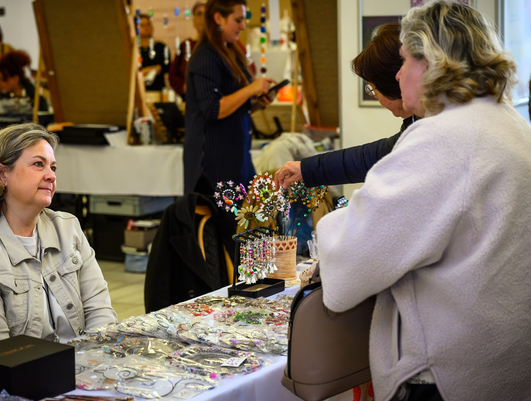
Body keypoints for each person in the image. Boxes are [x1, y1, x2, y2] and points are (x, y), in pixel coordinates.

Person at [316, 1, 531, 400]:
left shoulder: (441, 139)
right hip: (507, 367)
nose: (398, 75)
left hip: (444, 379)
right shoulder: (515, 127)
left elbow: (348, 268)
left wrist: (329, 224)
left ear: (432, 62)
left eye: (403, 60)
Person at [0, 124, 117, 376]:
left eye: (53, 167)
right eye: (38, 164)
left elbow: (101, 315)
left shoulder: (68, 228)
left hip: (71, 375)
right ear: (1, 174)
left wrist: (94, 370)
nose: (51, 176)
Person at [274, 23, 417, 189]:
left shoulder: (430, 128)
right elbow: (373, 156)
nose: (376, 96)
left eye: (373, 88)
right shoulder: (419, 123)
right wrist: (306, 169)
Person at [183, 0, 276, 195]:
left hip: (237, 157)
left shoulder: (232, 52)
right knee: (226, 215)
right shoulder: (205, 56)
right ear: (219, 18)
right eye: (238, 20)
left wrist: (257, 103)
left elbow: (236, 105)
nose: (243, 27)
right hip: (213, 164)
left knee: (249, 211)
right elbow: (213, 109)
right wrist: (250, 90)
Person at [169, 1, 206, 98]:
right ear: (193, 19)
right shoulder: (185, 45)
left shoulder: (219, 45)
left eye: (206, 14)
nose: (202, 18)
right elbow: (173, 74)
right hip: (191, 99)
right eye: (199, 14)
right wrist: (184, 87)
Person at [137, 14, 170, 92]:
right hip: (140, 90)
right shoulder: (134, 50)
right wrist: (154, 68)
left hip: (158, 90)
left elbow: (166, 66)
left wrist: (149, 70)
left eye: (148, 24)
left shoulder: (161, 47)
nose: (146, 28)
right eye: (142, 25)